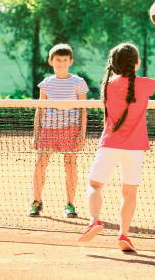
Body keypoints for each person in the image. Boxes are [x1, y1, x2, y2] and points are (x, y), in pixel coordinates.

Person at [78, 41, 155, 250]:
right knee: (129, 193)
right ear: (136, 64)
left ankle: (94, 220)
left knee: (95, 185)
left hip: (109, 144)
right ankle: (123, 235)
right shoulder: (143, 84)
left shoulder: (108, 84)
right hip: (135, 148)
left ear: (113, 64)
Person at [28, 44, 89, 218]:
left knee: (70, 165)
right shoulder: (46, 83)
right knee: (40, 163)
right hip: (48, 130)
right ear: (50, 61)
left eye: (64, 60)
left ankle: (70, 205)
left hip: (71, 130)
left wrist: (81, 135)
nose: (61, 63)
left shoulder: (79, 82)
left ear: (70, 61)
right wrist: (36, 136)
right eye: (57, 60)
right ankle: (36, 202)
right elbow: (39, 109)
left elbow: (84, 110)